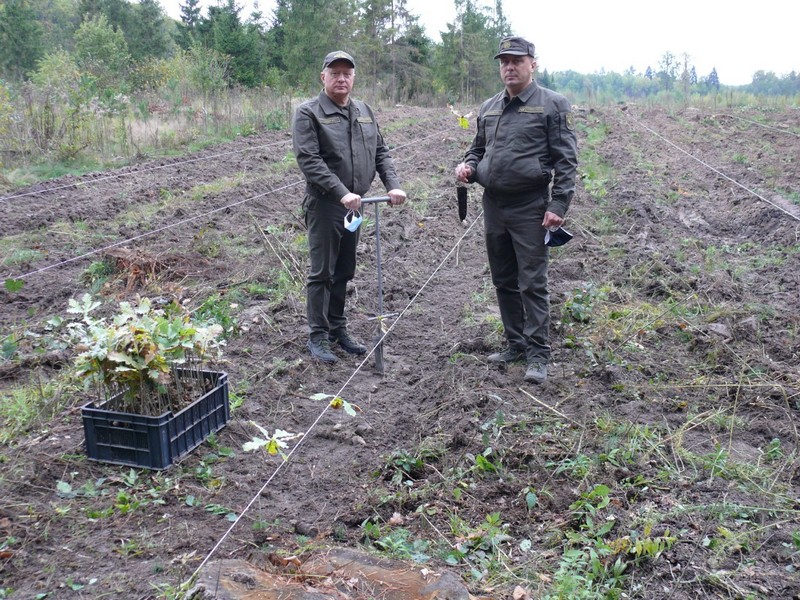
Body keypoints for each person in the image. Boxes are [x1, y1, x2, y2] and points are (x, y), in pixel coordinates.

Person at [455, 36, 578, 384]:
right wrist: (468, 167)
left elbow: (566, 161)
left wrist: (558, 204)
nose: (509, 67)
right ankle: (516, 344)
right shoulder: (489, 107)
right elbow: (478, 150)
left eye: (517, 61)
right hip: (494, 205)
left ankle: (538, 353)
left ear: (532, 64)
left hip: (530, 206)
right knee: (504, 280)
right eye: (504, 62)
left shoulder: (552, 105)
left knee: (532, 283)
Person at [293, 50, 407, 363]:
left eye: (347, 73)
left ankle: (337, 329)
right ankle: (318, 335)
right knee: (322, 272)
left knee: (344, 269)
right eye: (335, 73)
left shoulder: (364, 110)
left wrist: (393, 184)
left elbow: (381, 152)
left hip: (355, 206)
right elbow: (309, 160)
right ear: (323, 77)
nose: (341, 79)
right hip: (326, 204)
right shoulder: (308, 113)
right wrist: (341, 192)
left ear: (354, 78)